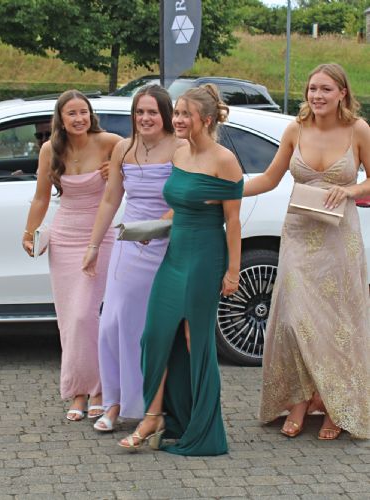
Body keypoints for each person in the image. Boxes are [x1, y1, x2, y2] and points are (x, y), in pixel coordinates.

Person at [243, 63, 370, 440]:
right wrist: (225, 190)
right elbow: (269, 179)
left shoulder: (358, 130)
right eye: (313, 88)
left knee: (335, 326)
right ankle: (298, 401)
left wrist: (349, 190)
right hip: (298, 236)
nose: (317, 95)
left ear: (342, 93)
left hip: (339, 240)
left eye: (326, 89)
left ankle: (334, 405)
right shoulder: (295, 129)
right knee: (294, 321)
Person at [117, 84, 243, 455]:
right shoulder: (180, 152)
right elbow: (180, 204)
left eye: (186, 114)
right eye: (177, 113)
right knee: (154, 336)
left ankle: (200, 426)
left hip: (205, 257)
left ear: (207, 119)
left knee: (194, 340)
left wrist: (233, 271)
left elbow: (233, 222)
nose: (178, 120)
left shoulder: (224, 161)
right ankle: (154, 416)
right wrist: (153, 228)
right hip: (174, 256)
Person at [82, 85, 186, 432]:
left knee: (142, 329)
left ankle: (143, 406)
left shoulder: (181, 148)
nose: (145, 118)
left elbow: (186, 199)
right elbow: (111, 199)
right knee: (111, 324)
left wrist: (158, 227)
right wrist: (94, 245)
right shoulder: (123, 148)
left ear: (165, 115)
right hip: (127, 244)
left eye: (152, 112)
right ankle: (113, 401)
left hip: (164, 246)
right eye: (140, 112)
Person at [22, 90, 122, 421]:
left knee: (88, 316)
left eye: (83, 112)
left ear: (90, 115)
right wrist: (29, 232)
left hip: (100, 237)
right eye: (72, 114)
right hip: (64, 239)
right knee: (69, 321)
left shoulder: (110, 142)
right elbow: (41, 197)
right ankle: (78, 392)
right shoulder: (50, 149)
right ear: (61, 120)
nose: (79, 119)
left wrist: (118, 170)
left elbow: (142, 164)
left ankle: (100, 390)